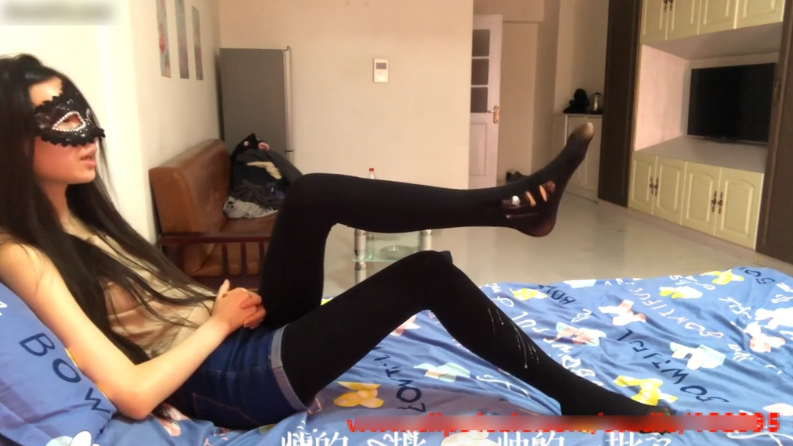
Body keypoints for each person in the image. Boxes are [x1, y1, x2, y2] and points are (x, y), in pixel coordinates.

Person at [0, 54, 670, 432]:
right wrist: (216, 324)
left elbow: (150, 309)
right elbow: (131, 393)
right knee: (425, 272)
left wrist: (216, 309)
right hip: (227, 379)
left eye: (83, 113)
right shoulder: (21, 252)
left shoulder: (84, 214)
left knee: (312, 192)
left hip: (229, 335)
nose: (86, 135)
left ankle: (508, 208)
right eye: (60, 120)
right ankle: (576, 390)